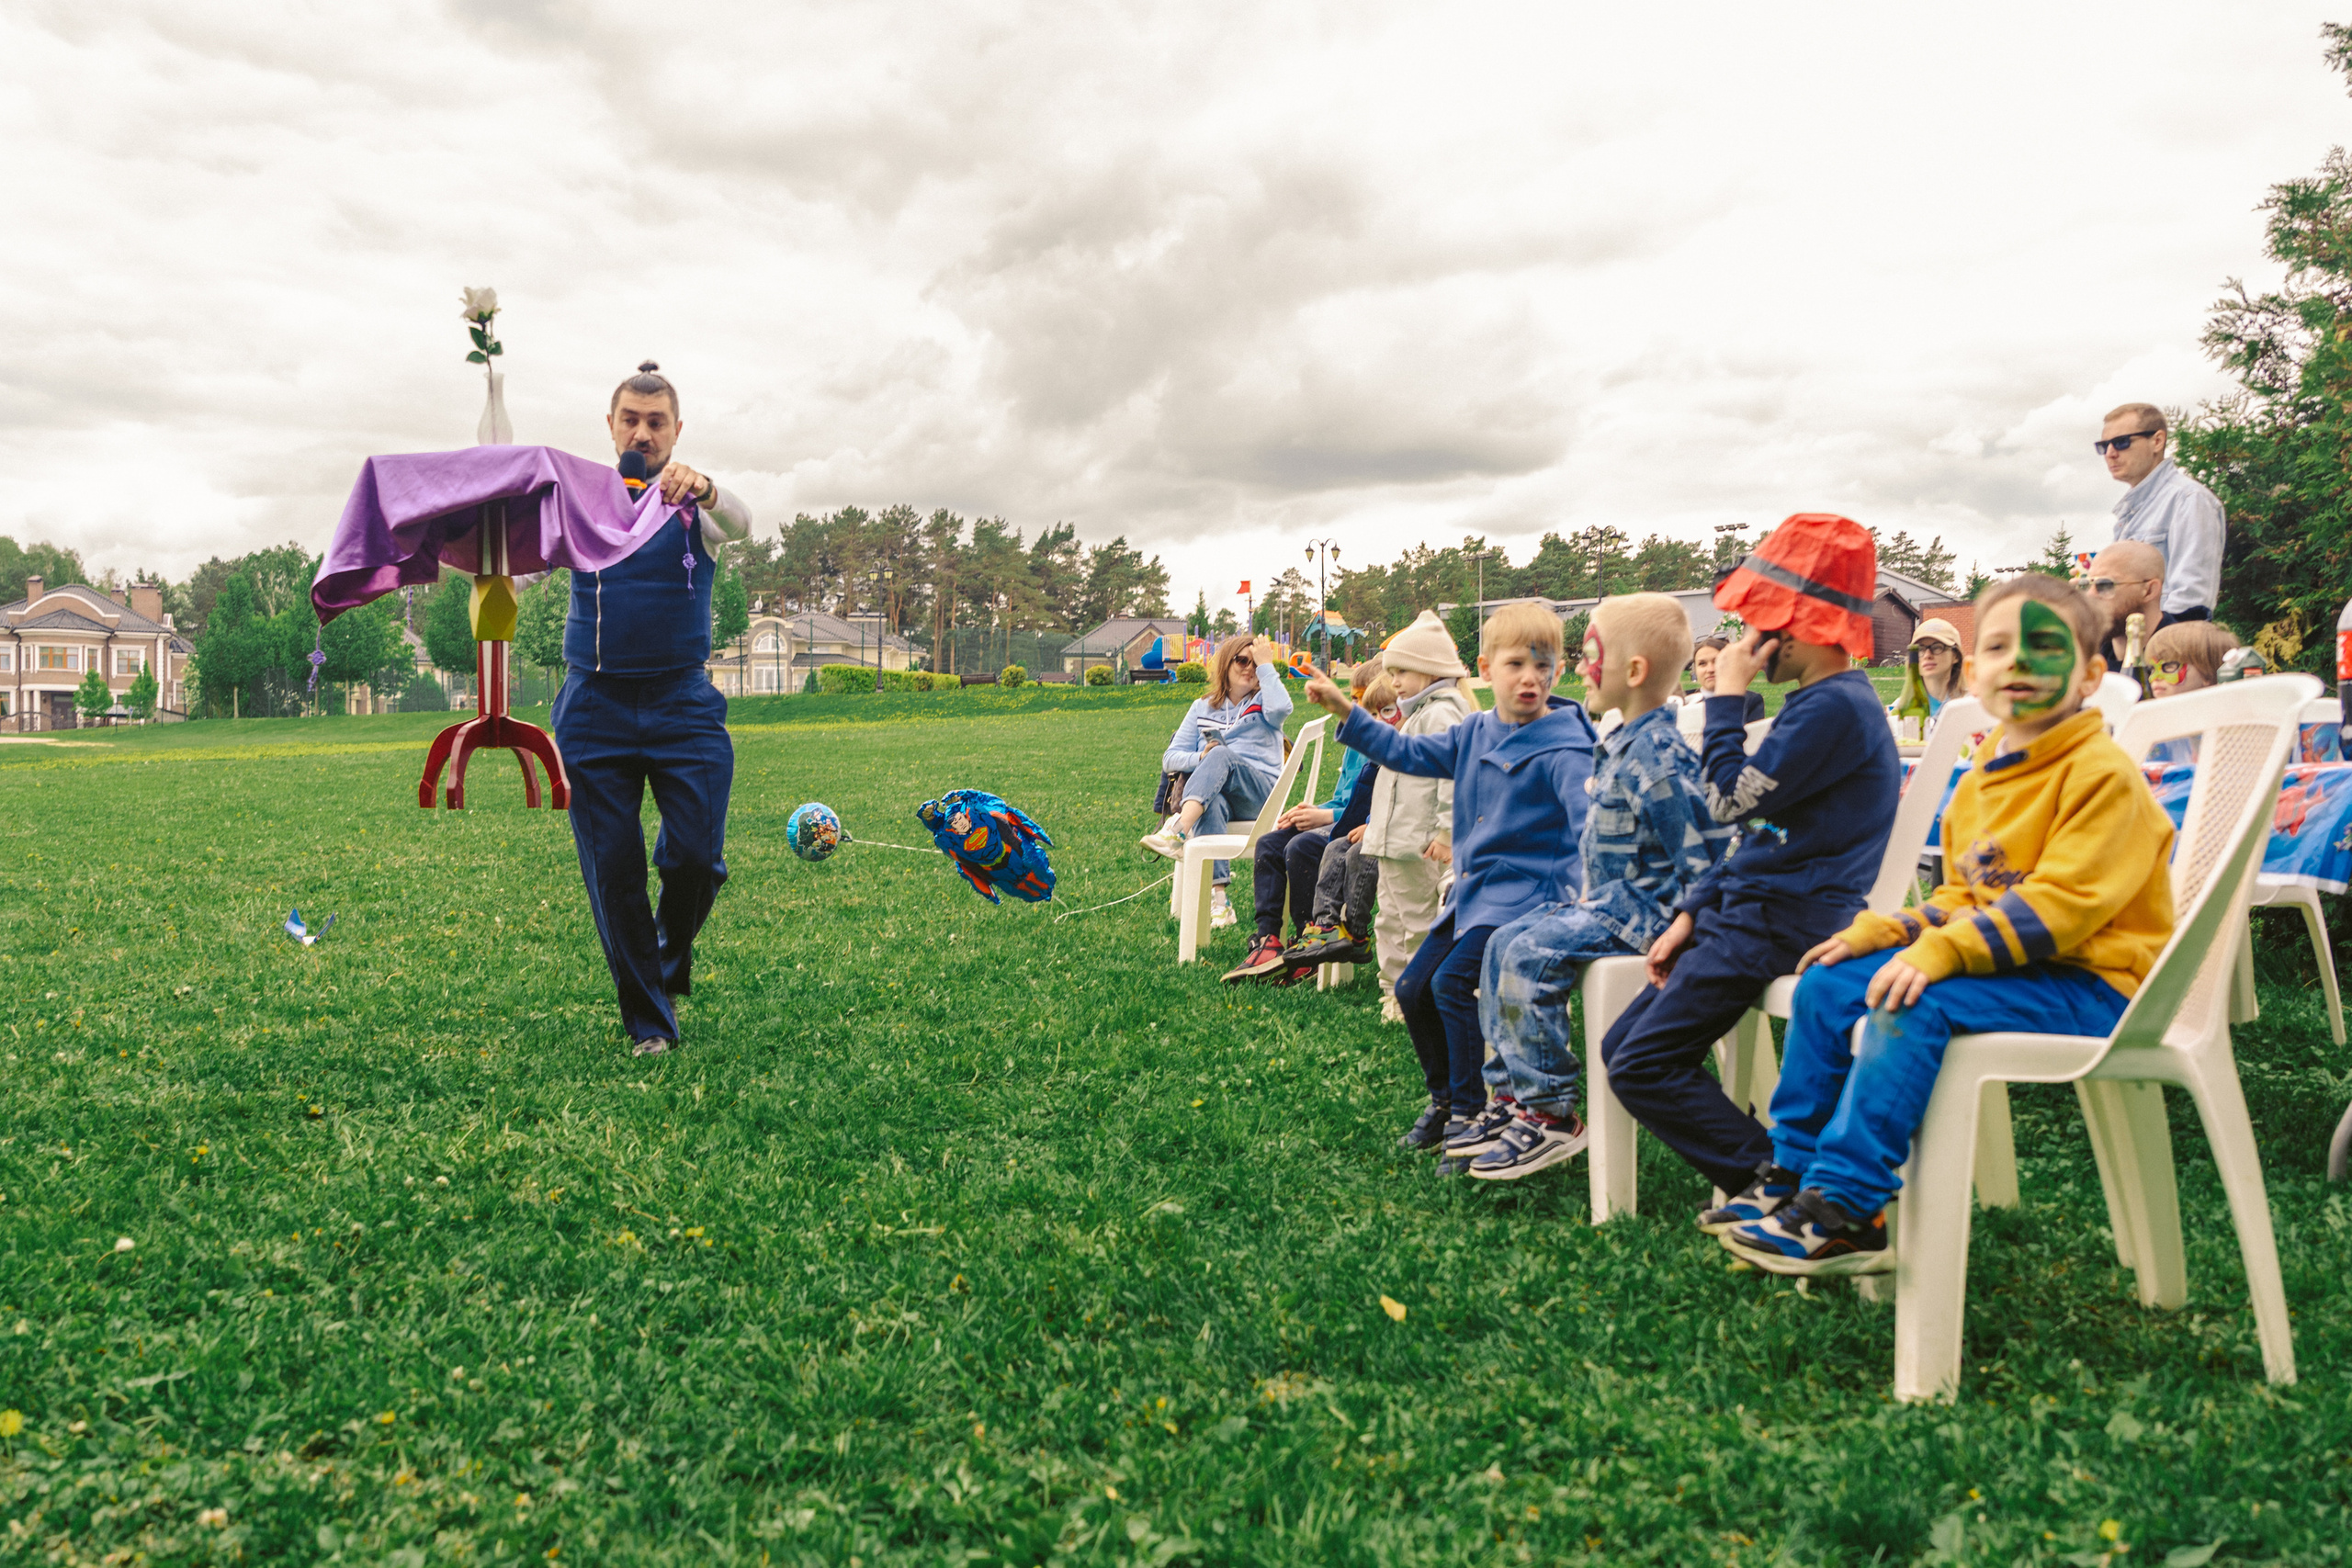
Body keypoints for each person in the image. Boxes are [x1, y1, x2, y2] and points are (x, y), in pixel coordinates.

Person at [1721, 574, 2174, 1274]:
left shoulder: (2101, 775)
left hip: (2093, 981)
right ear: (1976, 671)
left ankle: (1848, 1204)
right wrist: (1885, 931)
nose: (2016, 662)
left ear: (2090, 674)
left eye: (2042, 647)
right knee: (1831, 982)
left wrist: (1940, 955)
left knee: (1913, 1000)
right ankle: (1792, 1171)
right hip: (2017, 965)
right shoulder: (1987, 773)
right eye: (1997, 647)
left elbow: (2060, 906)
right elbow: (1967, 896)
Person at [1601, 514, 1902, 1202]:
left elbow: (1727, 804)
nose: (1745, 639)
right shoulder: (1816, 705)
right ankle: (1772, 1174)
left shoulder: (1837, 710)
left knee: (1642, 1063)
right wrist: (1692, 913)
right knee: (1624, 1049)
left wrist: (1725, 698)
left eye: (1758, 621)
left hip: (1782, 920)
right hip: (1745, 911)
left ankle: (1775, 1180)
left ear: (1799, 626)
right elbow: (1755, 839)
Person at [1303, 602, 1597, 1172]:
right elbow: (1407, 754)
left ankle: (1471, 1111)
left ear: (1559, 670)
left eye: (1545, 664)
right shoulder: (1477, 730)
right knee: (1414, 989)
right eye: (1516, 664)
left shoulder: (1565, 741)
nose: (1531, 677)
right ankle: (1446, 1100)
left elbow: (1587, 823)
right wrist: (1347, 709)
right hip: (1474, 898)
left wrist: (1588, 892)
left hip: (1527, 902)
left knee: (1452, 983)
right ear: (1486, 670)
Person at [1463, 594, 1732, 1179]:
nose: (1579, 667)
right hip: (1610, 906)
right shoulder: (1623, 743)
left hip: (1644, 917)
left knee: (1530, 954)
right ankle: (1508, 1097)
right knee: (1500, 941)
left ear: (1632, 672)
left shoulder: (1657, 757)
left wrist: (1687, 923)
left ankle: (1550, 1113)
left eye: (1589, 654)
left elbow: (1706, 852)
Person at [552, 362, 755, 1057]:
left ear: (675, 431)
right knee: (614, 870)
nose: (642, 432)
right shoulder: (578, 502)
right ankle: (648, 1022)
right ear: (611, 426)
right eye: (630, 420)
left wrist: (706, 486)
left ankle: (667, 955)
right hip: (593, 706)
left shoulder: (695, 507)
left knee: (697, 857)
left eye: (656, 421)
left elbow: (745, 520)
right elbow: (515, 557)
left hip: (683, 703)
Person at [1224, 665, 1392, 985]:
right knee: (1271, 843)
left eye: (1365, 702)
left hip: (1354, 826)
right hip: (1338, 817)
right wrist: (1313, 810)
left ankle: (1308, 940)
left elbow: (1364, 808)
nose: (1356, 708)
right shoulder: (1355, 744)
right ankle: (1268, 939)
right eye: (1353, 699)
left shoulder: (1382, 742)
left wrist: (1326, 818)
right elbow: (1345, 796)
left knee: (1301, 846)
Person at [1351, 613, 1479, 1017]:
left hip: (1418, 843)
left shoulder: (1441, 714)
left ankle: (1416, 995)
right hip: (1396, 840)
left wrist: (1446, 831)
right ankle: (1394, 989)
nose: (1395, 682)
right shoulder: (1420, 714)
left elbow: (1452, 779)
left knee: (1420, 921)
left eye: (1401, 671)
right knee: (1389, 919)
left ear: (1430, 670)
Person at [1141, 633, 1293, 928]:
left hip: (1261, 795)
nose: (1249, 667)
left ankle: (1178, 830)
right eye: (1242, 661)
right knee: (1212, 802)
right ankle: (1221, 903)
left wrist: (1266, 665)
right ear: (1226, 664)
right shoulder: (1202, 707)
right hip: (1218, 793)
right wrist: (1200, 758)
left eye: (1254, 662)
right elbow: (1170, 758)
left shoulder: (1264, 701)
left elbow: (1282, 710)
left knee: (1222, 755)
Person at [2099, 401, 2223, 622]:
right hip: (2130, 647)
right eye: (2104, 446)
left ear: (2157, 441)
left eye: (2121, 442)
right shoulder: (2130, 513)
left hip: (2165, 651)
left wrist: (2159, 648)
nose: (2110, 453)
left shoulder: (2189, 500)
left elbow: (2191, 599)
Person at [2078, 539, 2170, 670]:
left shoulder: (2185, 660)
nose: (2090, 595)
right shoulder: (2086, 662)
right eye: (2085, 585)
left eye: (2105, 585)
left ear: (2149, 591)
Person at [1679, 634, 1766, 743]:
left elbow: (1753, 742)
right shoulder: (1685, 700)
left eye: (1716, 661)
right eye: (1702, 664)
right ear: (1695, 670)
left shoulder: (1750, 700)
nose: (1710, 669)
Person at [1903, 618, 1965, 714]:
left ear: (1955, 656)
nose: (1927, 655)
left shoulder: (1972, 705)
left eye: (1937, 647)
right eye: (1920, 649)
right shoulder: (1903, 708)